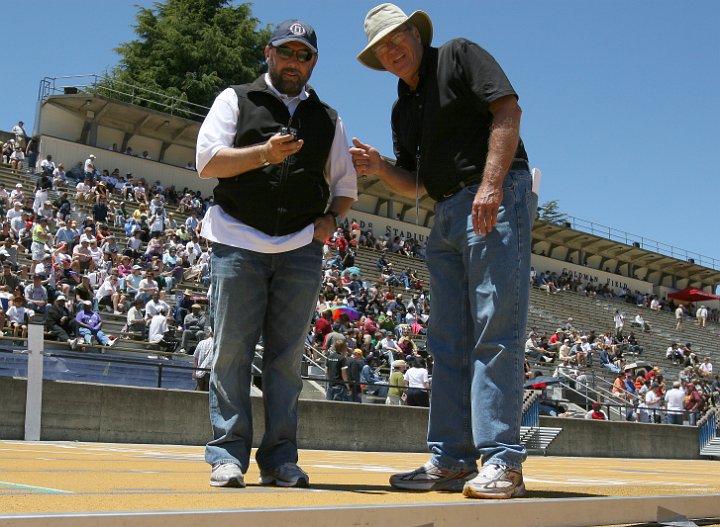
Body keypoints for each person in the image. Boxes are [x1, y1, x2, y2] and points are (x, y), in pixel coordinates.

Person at [351, 4, 534, 499]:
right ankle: (452, 459)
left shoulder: (458, 55)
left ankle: (503, 463)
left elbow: (508, 110)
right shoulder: (401, 106)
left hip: (492, 196)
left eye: (397, 39)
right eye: (381, 48)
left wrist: (491, 187)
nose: (391, 52)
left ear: (416, 33)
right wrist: (378, 167)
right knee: (447, 340)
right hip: (447, 212)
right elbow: (414, 182)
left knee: (495, 331)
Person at [196, 19, 357, 489]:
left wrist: (329, 222)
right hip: (237, 241)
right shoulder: (235, 99)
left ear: (314, 63)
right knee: (230, 352)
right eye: (285, 52)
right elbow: (207, 162)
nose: (293, 62)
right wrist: (264, 154)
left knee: (287, 362)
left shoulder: (328, 119)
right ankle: (227, 455)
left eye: (303, 55)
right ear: (268, 54)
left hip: (300, 249)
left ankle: (280, 458)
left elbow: (344, 186)